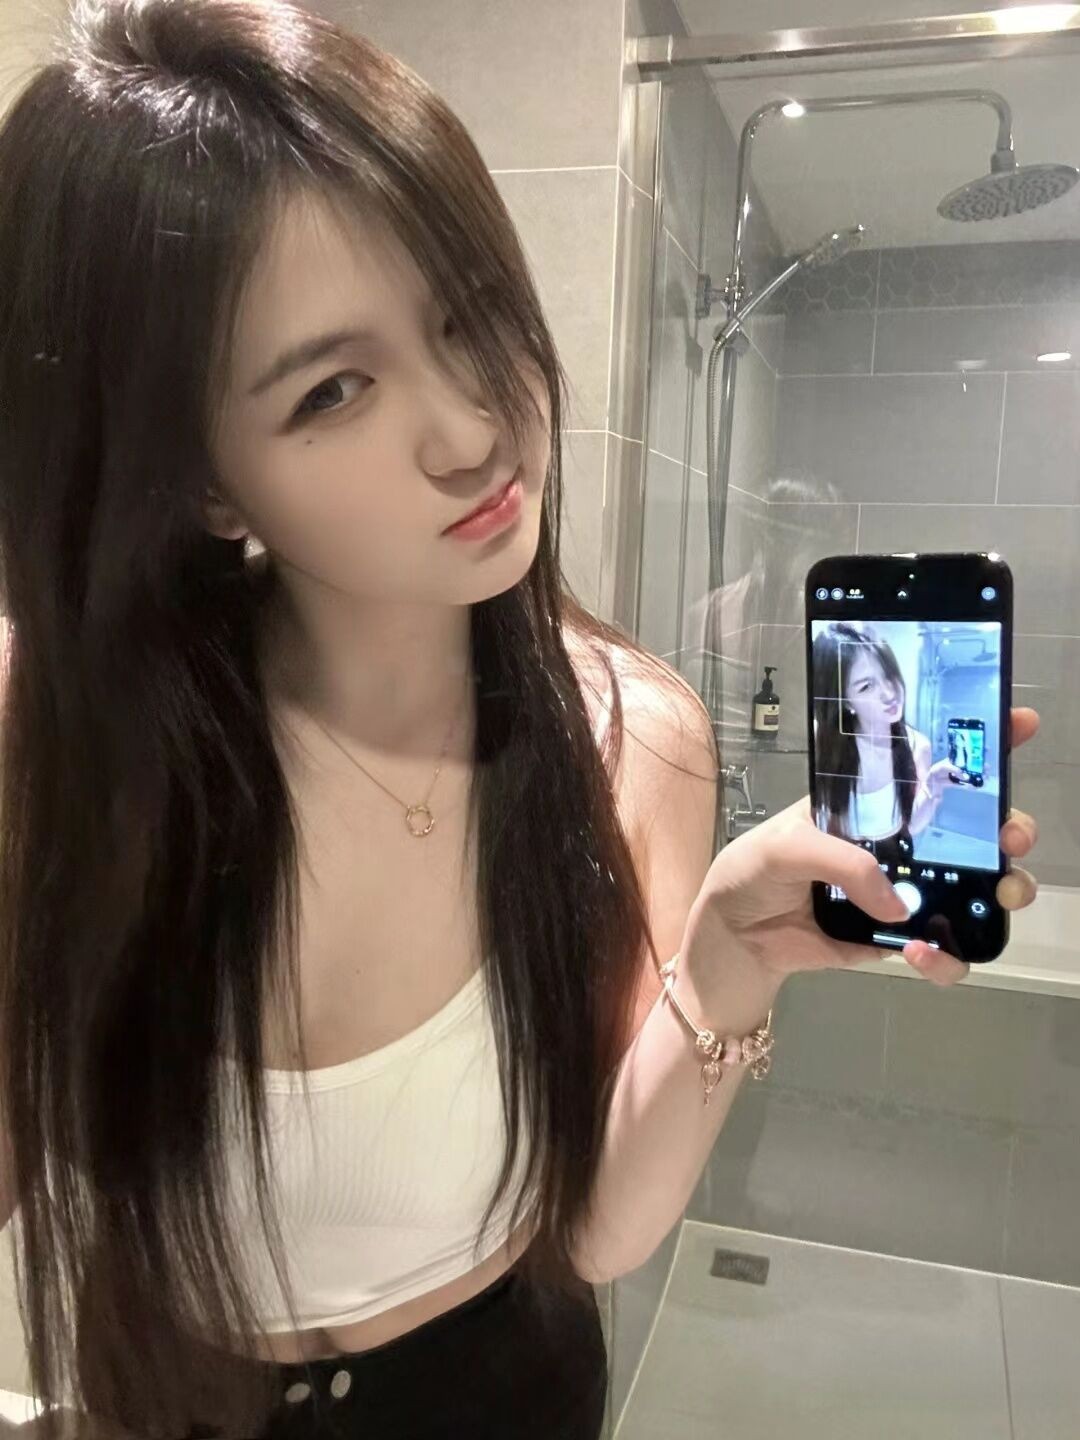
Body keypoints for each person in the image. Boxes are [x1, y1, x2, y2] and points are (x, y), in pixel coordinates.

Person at [0, 3, 1040, 1438]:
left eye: (468, 313)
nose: (475, 428)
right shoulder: (63, 731)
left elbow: (600, 1233)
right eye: (333, 388)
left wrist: (730, 961)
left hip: (499, 1395)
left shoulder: (635, 733)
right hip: (165, 1401)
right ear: (203, 481)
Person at [811, 621, 965, 868]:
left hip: (894, 853)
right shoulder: (827, 745)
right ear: (846, 702)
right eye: (866, 686)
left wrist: (933, 786)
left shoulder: (917, 745)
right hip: (839, 857)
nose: (889, 693)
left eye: (888, 675)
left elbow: (911, 825)